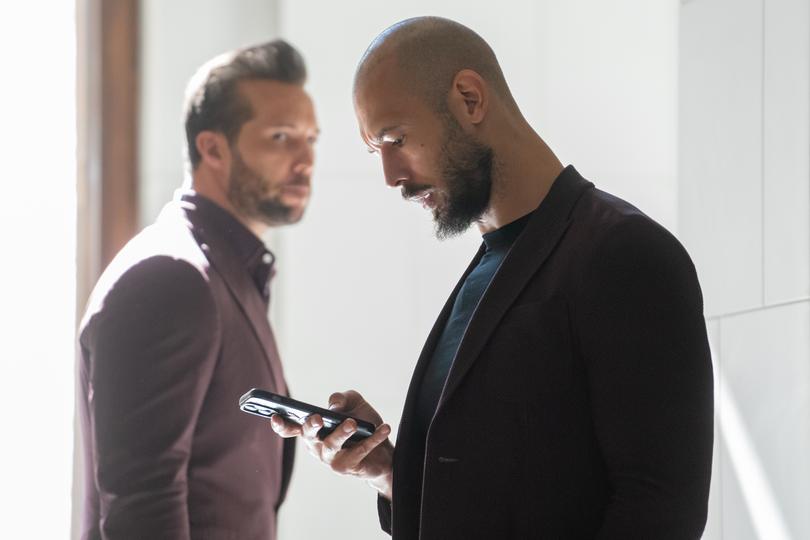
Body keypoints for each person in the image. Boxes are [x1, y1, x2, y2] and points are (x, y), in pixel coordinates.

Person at [270, 16, 714, 539]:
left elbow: (661, 512)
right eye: (377, 152)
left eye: (396, 139)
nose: (391, 177)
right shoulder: (488, 269)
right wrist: (391, 473)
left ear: (469, 99)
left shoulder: (626, 254)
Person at [78, 39, 318, 539]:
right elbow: (143, 502)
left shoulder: (226, 270)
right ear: (212, 148)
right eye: (281, 137)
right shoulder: (171, 275)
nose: (305, 158)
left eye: (311, 138)